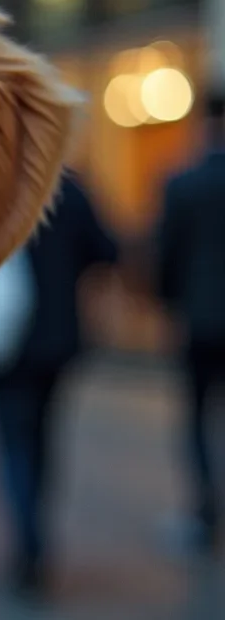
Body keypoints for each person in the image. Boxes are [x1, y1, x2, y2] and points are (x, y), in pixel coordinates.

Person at [0, 171, 119, 597]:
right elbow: (107, 251)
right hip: (57, 337)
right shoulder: (73, 190)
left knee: (12, 442)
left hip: (4, 341)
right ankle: (36, 535)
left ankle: (28, 541)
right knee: (44, 438)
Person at [154, 91, 225, 555]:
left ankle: (205, 514)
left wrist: (169, 303)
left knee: (198, 418)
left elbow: (166, 256)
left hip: (199, 321)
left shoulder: (184, 183)